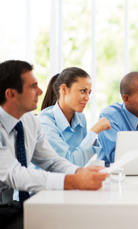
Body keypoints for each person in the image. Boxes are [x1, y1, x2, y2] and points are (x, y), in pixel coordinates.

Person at [0, 60, 107, 229]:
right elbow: (15, 174)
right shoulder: (42, 119)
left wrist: (79, 171)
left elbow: (52, 160)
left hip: (18, 206)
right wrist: (74, 181)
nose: (41, 91)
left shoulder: (29, 120)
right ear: (11, 94)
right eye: (33, 86)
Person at [37, 67, 111, 167]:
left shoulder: (80, 118)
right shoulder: (45, 123)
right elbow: (67, 166)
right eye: (83, 91)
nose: (87, 98)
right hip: (46, 181)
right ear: (64, 89)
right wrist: (94, 132)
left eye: (89, 92)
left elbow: (80, 161)